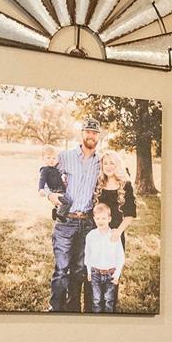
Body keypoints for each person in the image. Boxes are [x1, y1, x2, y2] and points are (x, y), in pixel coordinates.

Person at [45, 116, 106, 312]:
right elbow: (47, 176)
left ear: (99, 136)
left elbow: (117, 177)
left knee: (80, 269)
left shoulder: (101, 162)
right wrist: (50, 196)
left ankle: (72, 310)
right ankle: (56, 309)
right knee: (61, 269)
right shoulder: (65, 157)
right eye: (88, 132)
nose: (91, 136)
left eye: (95, 133)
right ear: (81, 134)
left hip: (87, 223)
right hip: (66, 221)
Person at [84, 201, 127, 313]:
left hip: (111, 273)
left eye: (103, 218)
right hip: (95, 273)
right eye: (97, 218)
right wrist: (89, 272)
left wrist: (117, 274)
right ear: (94, 219)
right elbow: (87, 254)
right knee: (96, 300)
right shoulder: (91, 236)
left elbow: (120, 256)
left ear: (109, 219)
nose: (100, 221)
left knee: (109, 300)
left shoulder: (114, 236)